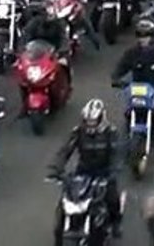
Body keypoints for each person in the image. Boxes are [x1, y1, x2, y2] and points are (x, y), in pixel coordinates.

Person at [49, 99, 123, 241]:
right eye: (87, 120)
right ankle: (63, 228)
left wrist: (114, 171)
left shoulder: (111, 132)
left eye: (93, 121)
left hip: (104, 172)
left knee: (112, 198)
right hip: (83, 172)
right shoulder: (78, 132)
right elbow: (65, 150)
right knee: (66, 200)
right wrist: (55, 168)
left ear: (101, 118)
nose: (90, 124)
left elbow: (117, 153)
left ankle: (116, 223)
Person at [110, 19, 154, 143]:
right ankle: (128, 132)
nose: (142, 39)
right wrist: (116, 78)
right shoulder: (131, 53)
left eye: (146, 35)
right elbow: (121, 67)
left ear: (152, 37)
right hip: (137, 86)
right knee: (129, 107)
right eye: (139, 35)